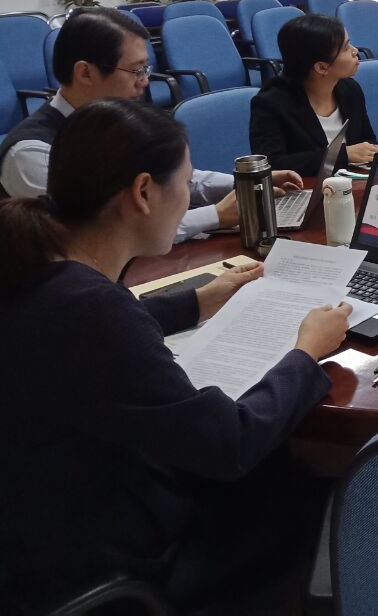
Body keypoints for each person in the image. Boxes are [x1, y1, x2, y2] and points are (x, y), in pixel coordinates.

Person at [0, 99, 352, 612]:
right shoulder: (91, 310)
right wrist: (306, 351)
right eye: (186, 184)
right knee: (316, 487)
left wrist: (199, 300)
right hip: (110, 563)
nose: (189, 196)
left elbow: (102, 329)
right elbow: (230, 444)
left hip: (47, 522)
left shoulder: (41, 262)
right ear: (143, 192)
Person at [0, 8, 300, 241]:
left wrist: (248, 183)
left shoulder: (120, 121)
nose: (145, 82)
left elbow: (174, 178)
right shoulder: (31, 153)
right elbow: (98, 235)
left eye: (146, 68)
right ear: (86, 73)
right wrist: (215, 216)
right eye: (135, 70)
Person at [250, 13, 378, 175]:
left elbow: (367, 139)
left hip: (352, 182)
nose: (355, 51)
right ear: (321, 67)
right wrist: (342, 155)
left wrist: (374, 150)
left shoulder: (350, 89)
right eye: (345, 48)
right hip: (304, 187)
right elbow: (272, 164)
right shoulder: (270, 103)